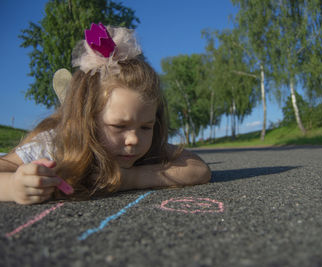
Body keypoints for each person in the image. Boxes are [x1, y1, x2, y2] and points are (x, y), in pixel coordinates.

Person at [0, 23, 211, 205]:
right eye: (119, 126)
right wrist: (14, 186)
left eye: (146, 126)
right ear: (87, 121)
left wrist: (131, 178)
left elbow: (199, 169)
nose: (134, 139)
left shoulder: (147, 146)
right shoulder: (54, 146)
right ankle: (67, 104)